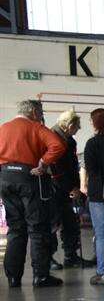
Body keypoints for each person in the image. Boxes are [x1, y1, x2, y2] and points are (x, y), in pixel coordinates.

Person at [0, 100, 67, 287]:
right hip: (28, 178)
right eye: (40, 112)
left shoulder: (3, 127)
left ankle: (13, 277)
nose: (40, 115)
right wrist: (44, 163)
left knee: (15, 228)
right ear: (33, 112)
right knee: (37, 228)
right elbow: (58, 145)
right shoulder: (35, 127)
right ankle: (41, 276)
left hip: (5, 179)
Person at [49, 109, 93, 269]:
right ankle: (47, 258)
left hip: (67, 187)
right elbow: (56, 168)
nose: (79, 129)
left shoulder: (69, 140)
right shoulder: (53, 138)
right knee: (52, 224)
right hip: (55, 188)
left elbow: (71, 166)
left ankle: (71, 256)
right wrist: (70, 187)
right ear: (70, 125)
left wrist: (75, 186)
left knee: (71, 222)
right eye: (77, 126)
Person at [81, 108, 104, 284]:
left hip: (98, 193)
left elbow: (92, 170)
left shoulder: (92, 144)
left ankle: (103, 272)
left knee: (102, 234)